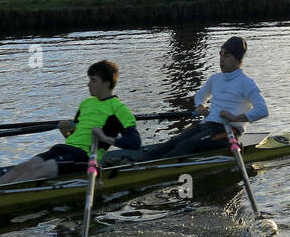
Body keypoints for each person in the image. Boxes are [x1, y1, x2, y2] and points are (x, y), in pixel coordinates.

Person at [108, 36, 267, 165]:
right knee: (172, 142)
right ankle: (135, 162)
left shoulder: (246, 83)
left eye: (227, 55)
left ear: (238, 59)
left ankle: (146, 169)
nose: (221, 59)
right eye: (220, 54)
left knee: (185, 145)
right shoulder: (215, 79)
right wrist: (200, 105)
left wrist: (234, 118)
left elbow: (262, 110)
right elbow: (201, 95)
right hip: (208, 125)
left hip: (228, 132)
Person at [0, 60, 141, 185]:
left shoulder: (119, 109)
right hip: (65, 149)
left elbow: (135, 142)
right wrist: (65, 130)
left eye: (93, 80)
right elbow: (74, 135)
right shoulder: (86, 103)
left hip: (85, 157)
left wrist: (104, 138)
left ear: (107, 83)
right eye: (89, 80)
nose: (88, 84)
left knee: (41, 169)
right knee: (23, 167)